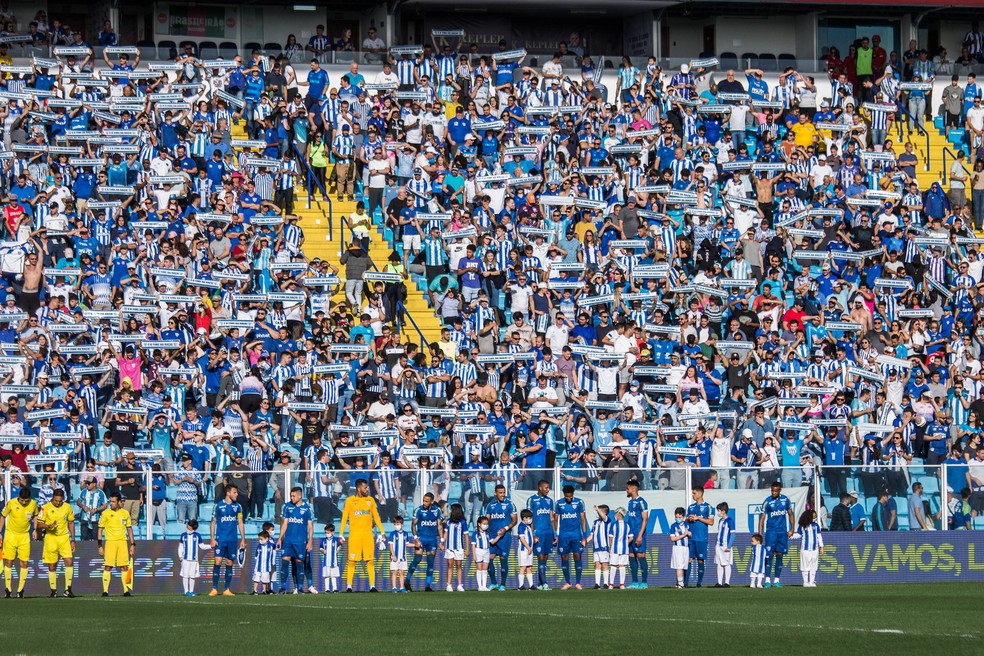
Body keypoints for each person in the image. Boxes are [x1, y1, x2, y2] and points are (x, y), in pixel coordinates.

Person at [338, 478, 385, 592]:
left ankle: (372, 586)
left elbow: (376, 516)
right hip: (355, 535)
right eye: (365, 488)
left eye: (367, 487)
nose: (367, 489)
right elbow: (344, 518)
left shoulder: (371, 500)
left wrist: (382, 532)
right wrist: (341, 534)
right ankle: (349, 586)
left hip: (368, 534)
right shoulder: (349, 501)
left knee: (370, 560)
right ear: (358, 489)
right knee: (352, 561)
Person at [36, 489, 77, 598]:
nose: (58, 503)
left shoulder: (67, 507)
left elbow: (71, 523)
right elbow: (39, 524)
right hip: (51, 538)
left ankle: (68, 589)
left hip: (64, 538)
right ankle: (53, 591)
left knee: (69, 561)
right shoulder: (46, 507)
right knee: (52, 565)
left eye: (60, 501)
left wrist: (73, 540)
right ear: (53, 498)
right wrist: (48, 526)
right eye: (56, 501)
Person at [209, 484, 246, 596]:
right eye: (235, 492)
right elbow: (213, 522)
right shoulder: (218, 506)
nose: (237, 494)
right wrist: (212, 538)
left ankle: (226, 589)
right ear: (228, 493)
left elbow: (240, 522)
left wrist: (243, 539)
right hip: (220, 539)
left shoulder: (238, 506)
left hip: (232, 539)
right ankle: (214, 588)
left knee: (229, 563)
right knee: (218, 561)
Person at [277, 486, 316, 594]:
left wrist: (310, 541)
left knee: (299, 564)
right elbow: (284, 524)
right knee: (284, 562)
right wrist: (280, 539)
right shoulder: (287, 506)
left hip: (300, 541)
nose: (292, 498)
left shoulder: (307, 508)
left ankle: (299, 588)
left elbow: (310, 526)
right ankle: (283, 588)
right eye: (291, 496)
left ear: (300, 496)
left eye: (294, 496)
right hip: (288, 540)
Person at [1, 488, 38, 598]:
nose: (24, 503)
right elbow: (3, 516)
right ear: (19, 497)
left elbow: (36, 515)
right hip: (11, 535)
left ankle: (20, 590)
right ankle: (8, 589)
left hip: (24, 536)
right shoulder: (11, 503)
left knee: (24, 563)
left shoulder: (33, 504)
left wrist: (35, 529)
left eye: (26, 501)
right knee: (8, 562)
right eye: (22, 500)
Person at [757, 480, 795, 588]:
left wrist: (792, 529)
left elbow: (790, 514)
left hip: (782, 532)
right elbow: (762, 519)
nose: (773, 493)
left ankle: (777, 580)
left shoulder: (785, 500)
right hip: (771, 532)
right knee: (769, 555)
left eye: (775, 491)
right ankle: (767, 580)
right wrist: (760, 534)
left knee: (780, 555)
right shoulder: (767, 502)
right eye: (772, 491)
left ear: (779, 490)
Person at [98, 492, 135, 597]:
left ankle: (126, 591)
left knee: (124, 567)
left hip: (122, 542)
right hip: (110, 542)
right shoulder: (105, 513)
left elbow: (129, 529)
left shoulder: (125, 513)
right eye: (110, 501)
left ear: (119, 502)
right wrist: (100, 545)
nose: (111, 503)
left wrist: (132, 544)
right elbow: (100, 529)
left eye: (114, 502)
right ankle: (105, 591)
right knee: (108, 566)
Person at [406, 491, 443, 591]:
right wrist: (416, 539)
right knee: (417, 559)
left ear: (432, 502)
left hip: (432, 540)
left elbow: (439, 526)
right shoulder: (418, 510)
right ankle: (407, 581)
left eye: (426, 501)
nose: (424, 503)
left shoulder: (437, 510)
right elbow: (413, 524)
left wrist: (442, 541)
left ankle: (427, 585)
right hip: (421, 539)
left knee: (430, 562)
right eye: (423, 501)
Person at [484, 484, 517, 591]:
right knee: (489, 559)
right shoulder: (490, 505)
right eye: (500, 493)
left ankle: (502, 584)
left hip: (505, 536)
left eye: (504, 492)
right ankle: (493, 583)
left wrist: (505, 528)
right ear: (495, 493)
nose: (503, 495)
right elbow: (487, 519)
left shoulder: (510, 504)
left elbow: (514, 520)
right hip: (493, 536)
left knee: (503, 559)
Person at [554, 484, 587, 590]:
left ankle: (578, 582)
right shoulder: (559, 503)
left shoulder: (579, 502)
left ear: (573, 494)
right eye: (567, 496)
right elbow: (555, 520)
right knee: (564, 557)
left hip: (576, 535)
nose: (569, 498)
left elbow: (583, 519)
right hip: (564, 535)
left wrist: (584, 536)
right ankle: (568, 582)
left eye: (570, 496)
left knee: (577, 556)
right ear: (564, 495)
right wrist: (555, 534)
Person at [527, 479, 555, 590]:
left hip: (548, 532)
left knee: (545, 558)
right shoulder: (532, 500)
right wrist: (532, 533)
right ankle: (544, 583)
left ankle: (540, 583)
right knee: (540, 557)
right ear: (540, 488)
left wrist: (554, 533)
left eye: (549, 488)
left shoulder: (550, 501)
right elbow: (529, 518)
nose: (548, 490)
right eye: (546, 488)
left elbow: (552, 518)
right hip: (538, 533)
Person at [685, 486, 713, 588]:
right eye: (692, 493)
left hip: (701, 537)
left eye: (694, 493)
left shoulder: (708, 507)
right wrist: (689, 519)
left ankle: (699, 583)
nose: (693, 495)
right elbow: (686, 520)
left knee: (700, 560)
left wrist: (698, 518)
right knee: (688, 559)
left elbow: (711, 522)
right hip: (691, 537)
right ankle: (686, 583)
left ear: (700, 494)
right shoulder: (691, 507)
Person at [625, 479, 649, 588]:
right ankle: (634, 582)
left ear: (633, 489)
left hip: (639, 533)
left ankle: (644, 582)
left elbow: (645, 519)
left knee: (640, 555)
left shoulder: (642, 502)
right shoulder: (630, 502)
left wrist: (639, 535)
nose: (626, 490)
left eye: (628, 489)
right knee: (631, 556)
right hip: (631, 534)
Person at [178, 519, 209, 597]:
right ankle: (186, 591)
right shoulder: (183, 535)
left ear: (193, 528)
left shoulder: (197, 535)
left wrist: (210, 546)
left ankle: (191, 591)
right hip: (185, 559)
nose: (187, 527)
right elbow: (180, 546)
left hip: (194, 559)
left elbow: (202, 546)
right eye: (187, 526)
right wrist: (180, 556)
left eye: (189, 526)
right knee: (185, 575)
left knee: (192, 575)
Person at [793, 509, 824, 587]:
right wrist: (790, 536)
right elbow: (798, 535)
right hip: (805, 549)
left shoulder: (816, 526)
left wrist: (821, 547)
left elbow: (819, 536)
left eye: (815, 516)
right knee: (805, 565)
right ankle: (805, 582)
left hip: (815, 549)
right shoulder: (803, 526)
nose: (814, 518)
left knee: (814, 565)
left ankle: (812, 581)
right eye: (813, 516)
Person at [443, 502, 469, 592]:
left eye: (451, 509)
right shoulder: (449, 522)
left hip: (459, 547)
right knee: (450, 565)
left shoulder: (462, 522)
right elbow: (445, 533)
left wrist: (467, 549)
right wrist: (442, 542)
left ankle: (459, 584)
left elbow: (466, 536)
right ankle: (449, 584)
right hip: (449, 547)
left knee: (459, 565)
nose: (450, 511)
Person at [669, 507, 691, 589]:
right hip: (678, 548)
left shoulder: (686, 525)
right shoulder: (673, 526)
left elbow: (690, 534)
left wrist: (689, 533)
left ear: (683, 517)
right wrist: (683, 535)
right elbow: (672, 538)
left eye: (679, 517)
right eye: (676, 517)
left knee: (683, 566)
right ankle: (681, 583)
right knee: (679, 566)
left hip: (685, 548)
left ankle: (679, 582)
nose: (678, 519)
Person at [714, 502, 735, 588]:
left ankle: (727, 582)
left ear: (723, 511)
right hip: (718, 545)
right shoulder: (720, 521)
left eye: (719, 510)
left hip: (725, 546)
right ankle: (719, 582)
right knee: (719, 563)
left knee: (726, 564)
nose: (718, 513)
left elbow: (733, 534)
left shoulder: (730, 521)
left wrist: (729, 546)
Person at [590, 505, 611, 589]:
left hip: (604, 547)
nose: (598, 512)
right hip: (596, 548)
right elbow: (591, 535)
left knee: (604, 565)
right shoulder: (595, 522)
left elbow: (603, 516)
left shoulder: (606, 520)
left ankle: (606, 583)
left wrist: (598, 509)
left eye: (601, 510)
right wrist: (584, 541)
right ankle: (597, 583)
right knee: (597, 565)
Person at [387, 517, 409, 593]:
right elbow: (390, 545)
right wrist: (393, 555)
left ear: (402, 524)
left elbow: (407, 544)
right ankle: (394, 587)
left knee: (402, 572)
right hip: (395, 557)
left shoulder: (405, 534)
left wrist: (416, 545)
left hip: (403, 557)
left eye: (398, 524)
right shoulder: (392, 534)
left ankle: (402, 587)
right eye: (395, 524)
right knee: (395, 572)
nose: (396, 525)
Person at [320, 523, 344, 593]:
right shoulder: (323, 540)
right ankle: (327, 589)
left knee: (333, 575)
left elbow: (339, 545)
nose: (327, 534)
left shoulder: (336, 540)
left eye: (328, 532)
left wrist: (340, 547)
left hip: (334, 561)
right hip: (326, 561)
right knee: (326, 575)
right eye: (325, 533)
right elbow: (320, 547)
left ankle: (335, 588)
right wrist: (322, 550)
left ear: (332, 532)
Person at [516, 509, 536, 590]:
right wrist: (528, 547)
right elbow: (522, 538)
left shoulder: (528, 526)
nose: (530, 520)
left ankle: (531, 585)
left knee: (529, 567)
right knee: (523, 567)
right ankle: (521, 585)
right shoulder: (521, 526)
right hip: (524, 550)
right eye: (528, 518)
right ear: (524, 518)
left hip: (529, 550)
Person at [252, 530, 277, 594]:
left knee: (265, 580)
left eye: (261, 539)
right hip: (258, 567)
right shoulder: (259, 546)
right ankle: (255, 590)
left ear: (267, 539)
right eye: (259, 539)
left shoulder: (271, 545)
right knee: (256, 579)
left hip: (266, 567)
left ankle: (264, 590)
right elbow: (256, 555)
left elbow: (276, 547)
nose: (260, 540)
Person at [471, 515, 491, 592]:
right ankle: (480, 586)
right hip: (479, 551)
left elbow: (491, 541)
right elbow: (473, 544)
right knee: (479, 568)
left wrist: (499, 536)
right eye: (484, 523)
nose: (485, 525)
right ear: (479, 524)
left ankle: (484, 585)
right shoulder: (475, 533)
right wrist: (474, 555)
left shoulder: (487, 533)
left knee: (485, 569)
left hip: (486, 551)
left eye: (487, 524)